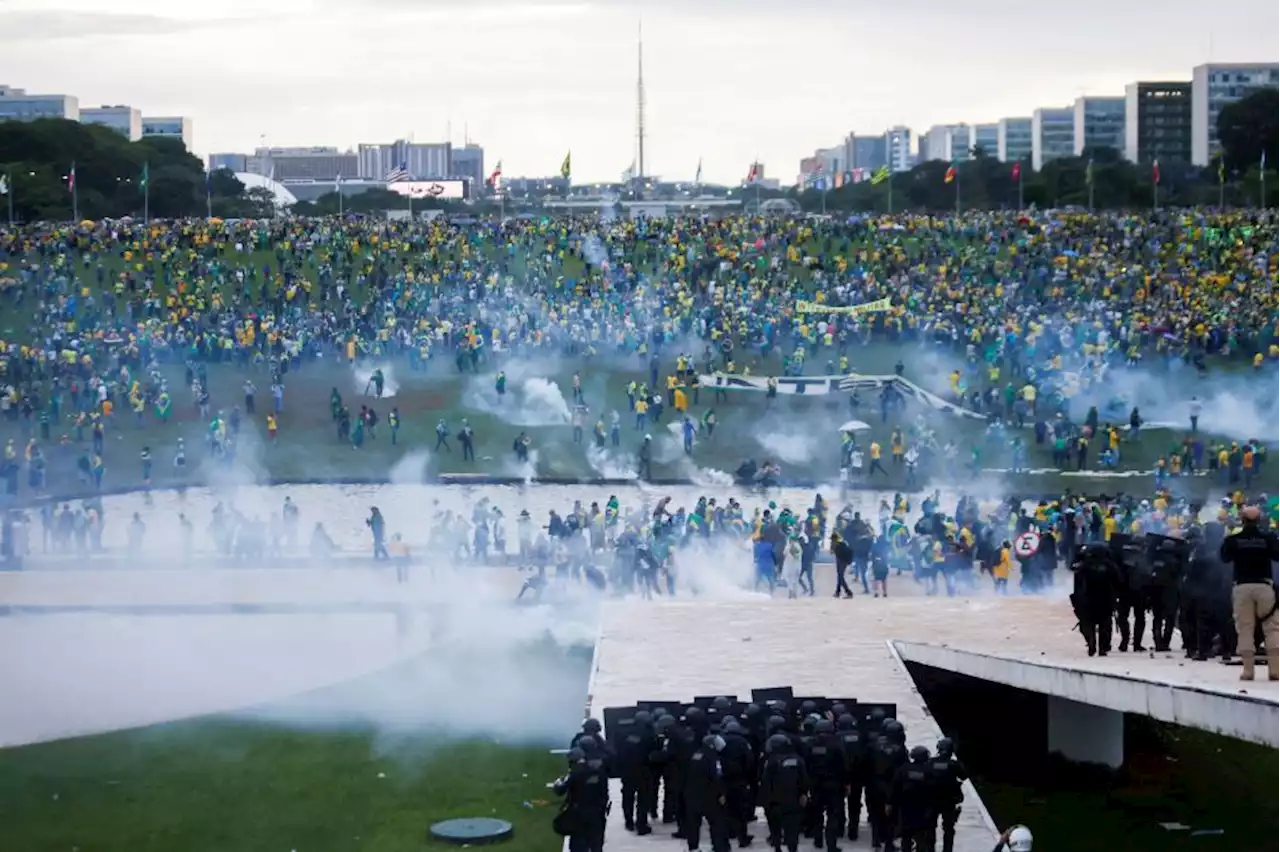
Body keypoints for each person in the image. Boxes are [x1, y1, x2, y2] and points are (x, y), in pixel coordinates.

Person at [1219, 505, 1280, 680]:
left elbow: (1224, 558)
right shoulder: (1268, 538)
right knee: (1273, 628)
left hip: (1242, 587)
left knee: (1245, 628)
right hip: (1264, 587)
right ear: (1259, 520)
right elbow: (1277, 556)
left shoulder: (1234, 539)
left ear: (1242, 520)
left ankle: (1248, 671)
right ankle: (1275, 670)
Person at [1069, 542, 1119, 656]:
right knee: (1105, 625)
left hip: (1087, 600)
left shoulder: (1084, 566)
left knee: (1087, 624)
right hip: (1106, 600)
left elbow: (1077, 581)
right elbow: (1119, 581)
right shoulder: (1110, 566)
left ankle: (1091, 643)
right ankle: (1102, 648)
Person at [889, 745, 933, 852]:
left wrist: (890, 802)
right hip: (923, 808)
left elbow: (895, 786)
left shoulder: (904, 768)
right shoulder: (929, 770)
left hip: (906, 808)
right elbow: (934, 788)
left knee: (906, 836)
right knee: (921, 837)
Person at [928, 737, 968, 852]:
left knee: (931, 828)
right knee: (949, 829)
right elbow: (964, 776)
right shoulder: (953, 764)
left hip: (933, 800)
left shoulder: (931, 762)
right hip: (949, 801)